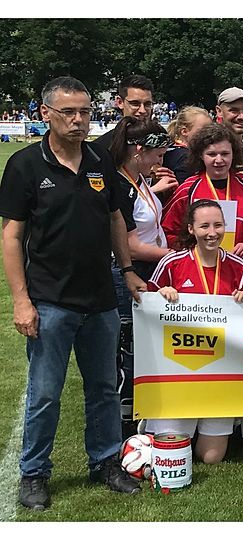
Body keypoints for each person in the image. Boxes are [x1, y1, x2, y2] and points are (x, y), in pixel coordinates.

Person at [1, 76, 146, 511]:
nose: (79, 119)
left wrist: (126, 270)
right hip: (49, 300)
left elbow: (116, 220)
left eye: (84, 111)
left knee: (103, 387)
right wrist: (21, 300)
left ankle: (104, 462)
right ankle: (34, 472)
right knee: (45, 392)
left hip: (101, 298)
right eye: (69, 112)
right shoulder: (26, 165)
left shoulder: (100, 160)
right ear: (46, 113)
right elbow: (11, 237)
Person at [147, 200, 243, 464]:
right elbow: (145, 305)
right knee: (170, 452)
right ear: (191, 229)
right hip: (180, 368)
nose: (212, 232)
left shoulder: (238, 267)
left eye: (218, 225)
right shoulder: (173, 263)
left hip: (221, 373)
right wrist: (160, 295)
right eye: (204, 226)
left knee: (211, 458)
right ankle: (153, 427)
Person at [108, 117, 178, 437]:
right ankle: (123, 423)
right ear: (139, 151)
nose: (161, 162)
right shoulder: (121, 185)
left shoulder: (139, 181)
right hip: (128, 274)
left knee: (142, 345)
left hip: (148, 271)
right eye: (159, 155)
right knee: (128, 348)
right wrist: (174, 256)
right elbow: (131, 245)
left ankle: (139, 412)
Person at [161, 123, 243, 261]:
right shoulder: (187, 189)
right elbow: (166, 231)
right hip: (197, 268)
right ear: (201, 155)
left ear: (233, 154)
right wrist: (189, 249)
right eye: (211, 154)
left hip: (239, 266)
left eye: (225, 154)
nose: (219, 160)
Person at [94, 74, 154, 150]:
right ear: (120, 102)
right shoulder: (100, 149)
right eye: (135, 103)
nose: (143, 110)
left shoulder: (165, 146)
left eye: (147, 104)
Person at [163, 106, 213, 184]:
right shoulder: (187, 157)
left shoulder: (168, 149)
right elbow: (187, 190)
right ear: (184, 131)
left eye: (211, 130)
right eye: (204, 130)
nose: (209, 134)